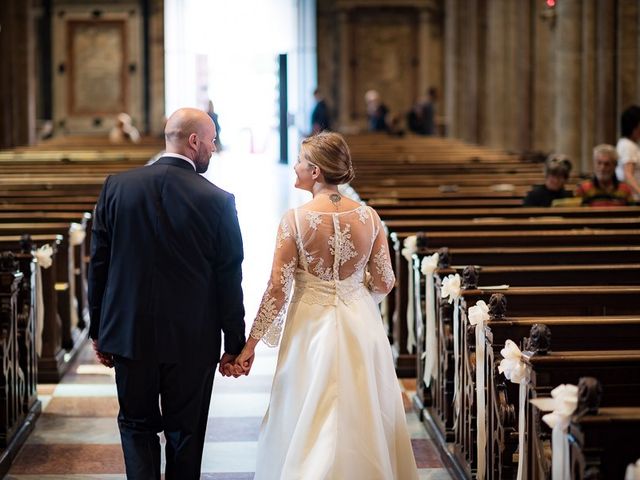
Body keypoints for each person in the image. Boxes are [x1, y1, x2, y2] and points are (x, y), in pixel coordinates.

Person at [231, 132, 419, 479]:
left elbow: (277, 289)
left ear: (315, 171)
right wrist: (354, 297)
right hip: (360, 323)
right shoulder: (369, 217)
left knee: (308, 407)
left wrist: (250, 345)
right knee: (361, 408)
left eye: (301, 162)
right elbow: (385, 281)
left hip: (309, 325)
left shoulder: (295, 220)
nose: (296, 168)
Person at [88, 107, 246, 479]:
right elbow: (229, 278)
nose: (213, 147)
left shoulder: (117, 186)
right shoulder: (218, 201)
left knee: (136, 425)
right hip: (192, 340)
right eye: (211, 140)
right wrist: (234, 344)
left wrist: (99, 330)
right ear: (194, 142)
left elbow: (99, 265)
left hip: (128, 335)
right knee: (186, 434)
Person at [615, 105, 640, 199]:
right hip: (633, 197)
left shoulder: (630, 144)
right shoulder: (627, 145)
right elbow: (628, 174)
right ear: (635, 126)